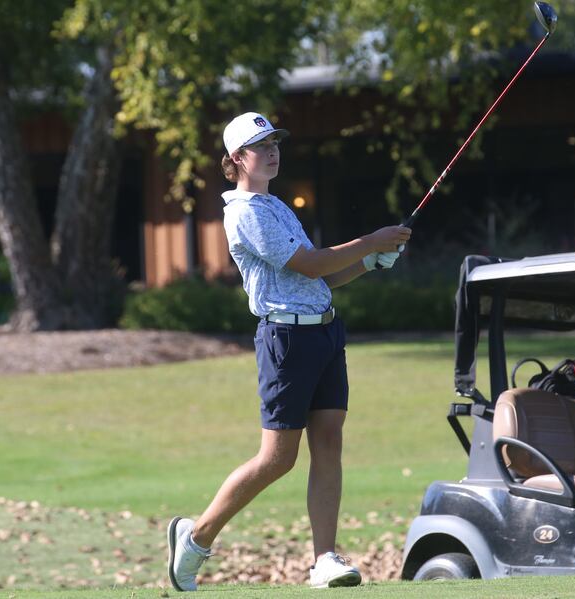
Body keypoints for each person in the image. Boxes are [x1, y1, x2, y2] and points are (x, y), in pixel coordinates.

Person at [167, 112, 411, 591]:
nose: (274, 151)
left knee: (329, 442)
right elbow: (311, 261)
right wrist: (371, 240)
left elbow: (322, 274)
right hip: (286, 340)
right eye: (262, 145)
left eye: (276, 142)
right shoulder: (244, 212)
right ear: (238, 158)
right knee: (277, 458)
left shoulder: (276, 206)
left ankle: (324, 560)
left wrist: (369, 262)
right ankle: (196, 537)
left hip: (323, 332)